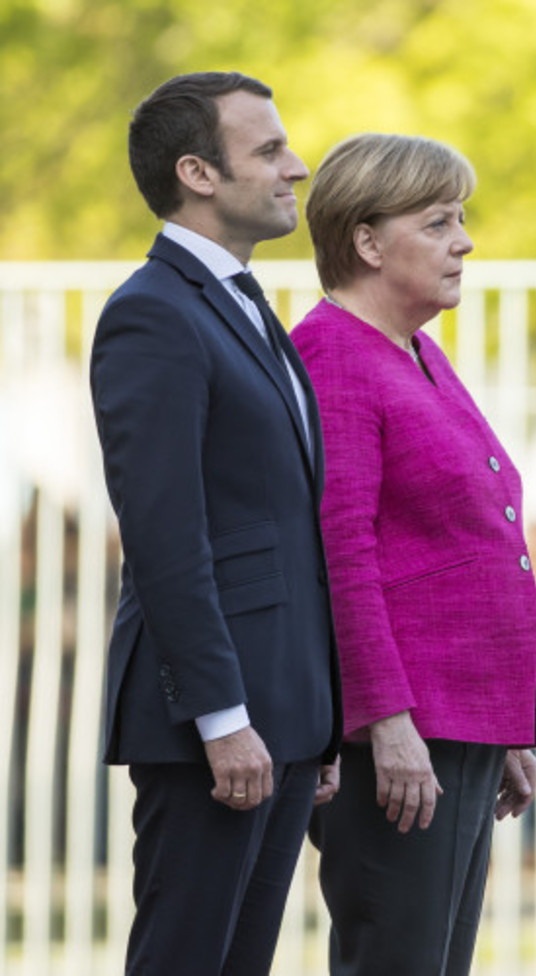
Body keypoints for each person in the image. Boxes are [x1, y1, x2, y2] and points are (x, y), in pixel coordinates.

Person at [89, 71, 342, 976]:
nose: (298, 167)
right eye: (270, 150)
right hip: (213, 724)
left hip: (281, 716)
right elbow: (166, 537)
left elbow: (282, 524)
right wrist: (222, 717)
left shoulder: (248, 306)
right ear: (197, 172)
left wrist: (315, 715)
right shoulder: (152, 315)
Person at [291, 133, 536, 976]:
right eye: (438, 222)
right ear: (366, 241)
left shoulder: (415, 353)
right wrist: (384, 721)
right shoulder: (334, 356)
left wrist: (509, 726)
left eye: (461, 219)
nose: (464, 241)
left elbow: (476, 539)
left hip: (459, 719)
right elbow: (343, 553)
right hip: (404, 732)